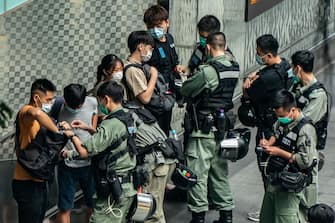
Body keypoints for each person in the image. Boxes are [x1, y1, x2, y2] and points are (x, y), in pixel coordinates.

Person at [181, 32, 239, 223]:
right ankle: (226, 215)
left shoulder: (207, 71)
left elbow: (187, 89)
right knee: (219, 173)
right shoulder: (234, 67)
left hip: (202, 131)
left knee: (197, 173)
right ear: (225, 45)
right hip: (222, 130)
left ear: (208, 47)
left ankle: (198, 217)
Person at [60, 81, 136, 223]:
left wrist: (70, 134)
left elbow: (83, 152)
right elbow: (111, 140)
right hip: (127, 187)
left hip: (113, 190)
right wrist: (89, 128)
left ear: (106, 99)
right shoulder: (128, 116)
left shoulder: (110, 124)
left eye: (100, 100)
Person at [123, 30, 177, 223]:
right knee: (153, 206)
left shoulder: (139, 67)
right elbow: (145, 97)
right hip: (142, 133)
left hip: (148, 128)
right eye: (150, 47)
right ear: (140, 46)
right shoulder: (132, 69)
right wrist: (153, 75)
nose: (151, 51)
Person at [241, 34, 292, 222]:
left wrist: (248, 81)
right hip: (281, 123)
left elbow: (248, 94)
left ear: (269, 55)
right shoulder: (285, 66)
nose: (257, 55)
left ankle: (269, 210)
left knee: (266, 168)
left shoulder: (267, 78)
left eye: (259, 54)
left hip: (267, 126)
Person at [258, 89, 318, 223]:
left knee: (285, 217)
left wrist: (279, 152)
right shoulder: (282, 121)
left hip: (292, 182)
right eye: (277, 115)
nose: (279, 119)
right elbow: (277, 132)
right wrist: (269, 142)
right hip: (276, 178)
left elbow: (305, 160)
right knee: (267, 217)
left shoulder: (305, 129)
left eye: (282, 115)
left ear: (293, 110)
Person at [12, 78, 59, 223]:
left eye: (53, 99)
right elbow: (36, 114)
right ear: (36, 97)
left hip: (40, 179)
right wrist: (58, 131)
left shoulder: (44, 117)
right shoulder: (26, 112)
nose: (51, 103)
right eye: (48, 99)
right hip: (26, 182)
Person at [290, 50, 328, 221]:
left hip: (307, 152)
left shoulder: (318, 95)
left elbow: (303, 123)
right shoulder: (297, 87)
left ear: (298, 68)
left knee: (307, 201)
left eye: (293, 68)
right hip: (294, 150)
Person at [56, 84, 98, 223]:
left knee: (93, 204)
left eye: (79, 105)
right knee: (65, 207)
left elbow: (95, 125)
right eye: (73, 106)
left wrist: (90, 130)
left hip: (89, 162)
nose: (77, 108)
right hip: (67, 164)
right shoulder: (58, 105)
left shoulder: (92, 102)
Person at [143, 4, 186, 130]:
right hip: (155, 93)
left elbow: (173, 58)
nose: (155, 30)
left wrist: (177, 66)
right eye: (151, 27)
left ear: (167, 23)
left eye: (158, 26)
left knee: (166, 125)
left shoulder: (169, 38)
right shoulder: (148, 44)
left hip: (169, 90)